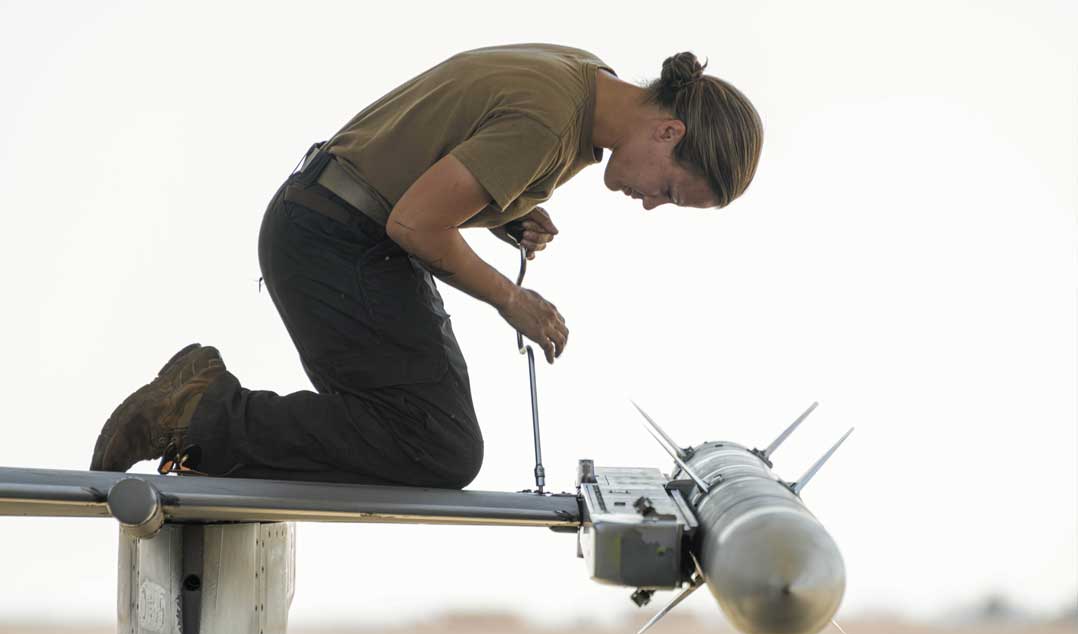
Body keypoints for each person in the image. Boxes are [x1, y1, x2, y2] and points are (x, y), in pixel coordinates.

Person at [88, 43, 763, 488]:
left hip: (334, 223)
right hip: (333, 235)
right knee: (435, 445)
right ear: (669, 132)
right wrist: (511, 299)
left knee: (433, 440)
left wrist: (505, 210)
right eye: (671, 191)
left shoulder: (585, 88)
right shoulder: (552, 122)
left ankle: (205, 427)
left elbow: (443, 152)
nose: (652, 205)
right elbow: (414, 221)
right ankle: (197, 413)